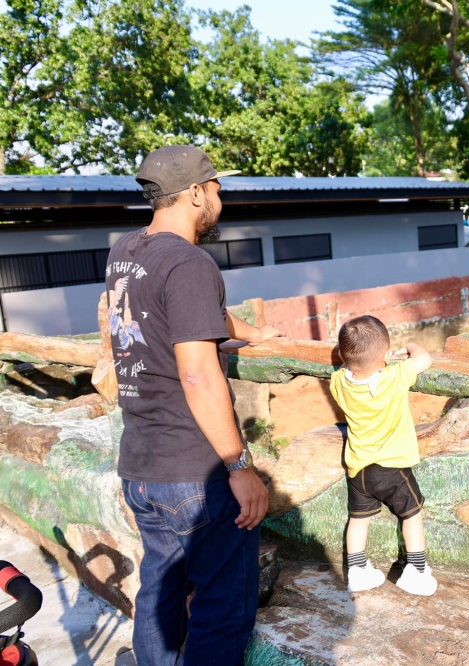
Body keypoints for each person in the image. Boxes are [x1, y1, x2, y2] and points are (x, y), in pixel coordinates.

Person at [108, 145, 283, 665]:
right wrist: (239, 465)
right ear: (193, 194)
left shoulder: (126, 251)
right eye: (216, 189)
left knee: (159, 601)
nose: (221, 197)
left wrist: (254, 333)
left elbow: (200, 315)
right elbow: (197, 371)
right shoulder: (189, 261)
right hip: (195, 473)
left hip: (142, 468)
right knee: (221, 612)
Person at [328, 315, 437, 596]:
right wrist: (410, 346)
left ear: (342, 354)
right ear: (387, 355)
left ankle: (357, 570)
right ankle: (417, 570)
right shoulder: (393, 376)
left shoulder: (338, 382)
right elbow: (425, 359)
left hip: (358, 468)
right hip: (392, 466)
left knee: (358, 519)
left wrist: (350, 357)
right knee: (412, 514)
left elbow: (347, 367)